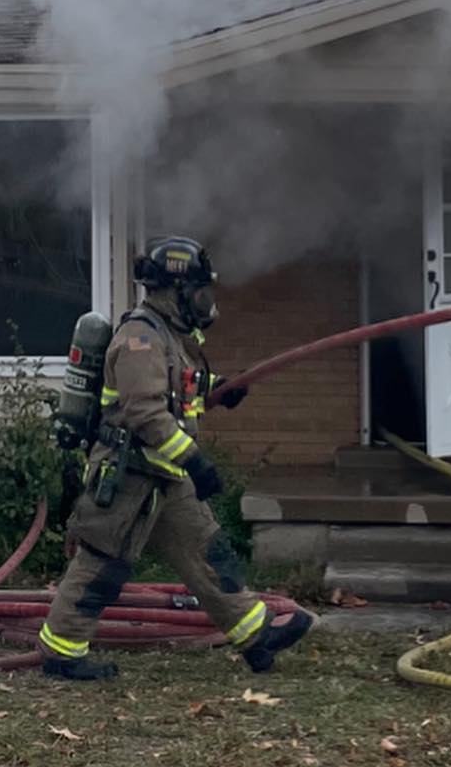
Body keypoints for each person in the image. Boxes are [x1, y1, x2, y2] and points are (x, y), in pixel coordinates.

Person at [39, 236, 313, 681]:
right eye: (200, 292)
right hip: (129, 477)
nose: (206, 302)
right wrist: (196, 462)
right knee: (102, 564)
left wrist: (218, 388)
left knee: (210, 553)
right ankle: (62, 651)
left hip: (164, 477)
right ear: (174, 291)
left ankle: (254, 636)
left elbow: (178, 386)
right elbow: (145, 410)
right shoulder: (139, 339)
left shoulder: (165, 336)